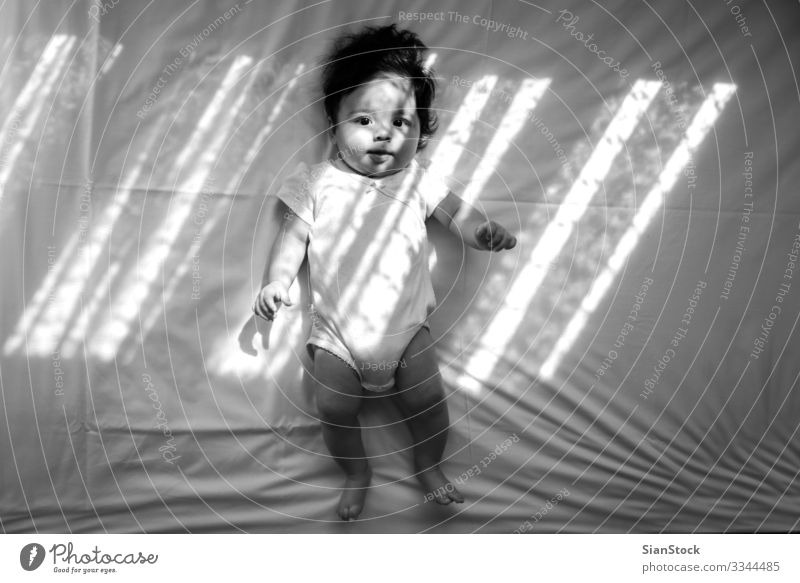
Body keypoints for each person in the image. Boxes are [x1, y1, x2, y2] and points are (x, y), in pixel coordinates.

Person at [253, 24, 516, 521]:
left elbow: (460, 215)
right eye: (365, 119)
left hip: (407, 333)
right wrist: (276, 282)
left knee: (429, 405)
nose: (383, 133)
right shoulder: (316, 182)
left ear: (420, 135)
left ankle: (428, 465)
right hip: (337, 337)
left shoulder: (418, 180)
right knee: (334, 410)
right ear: (334, 121)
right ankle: (357, 472)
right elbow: (292, 239)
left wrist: (484, 232)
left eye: (401, 122)